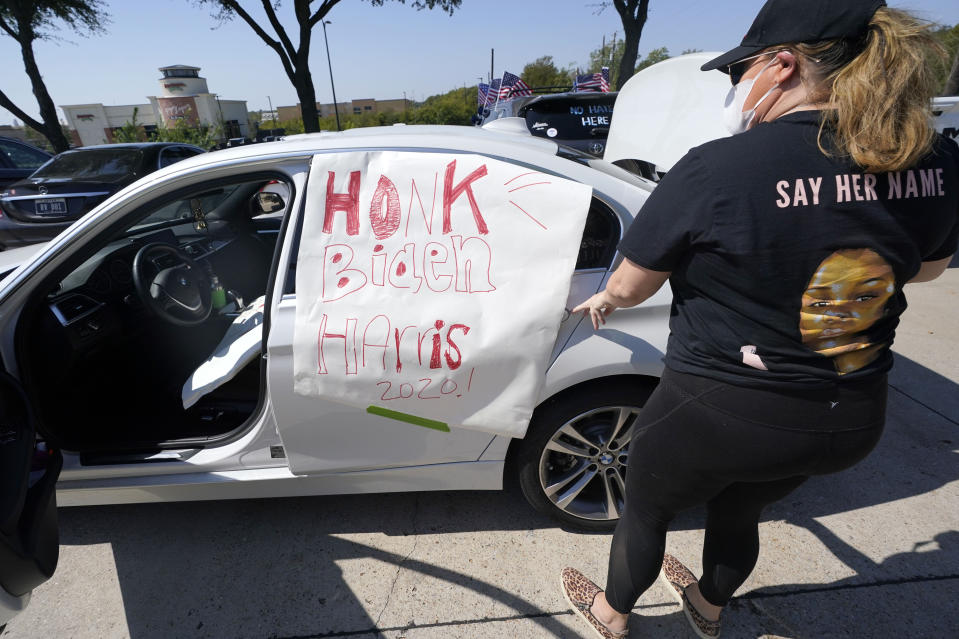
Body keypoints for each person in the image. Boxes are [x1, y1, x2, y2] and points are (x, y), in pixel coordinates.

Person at [558, 1, 959, 637]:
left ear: (782, 64)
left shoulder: (718, 167)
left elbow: (632, 286)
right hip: (849, 415)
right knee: (741, 511)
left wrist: (606, 299)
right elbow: (928, 269)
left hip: (721, 406)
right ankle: (708, 612)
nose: (737, 85)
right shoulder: (931, 158)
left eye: (738, 71)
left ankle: (611, 615)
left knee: (646, 509)